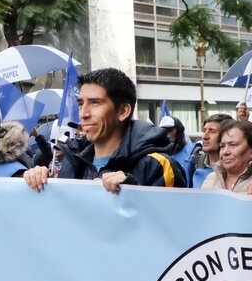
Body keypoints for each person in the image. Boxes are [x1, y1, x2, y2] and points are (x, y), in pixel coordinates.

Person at [24, 68, 180, 194]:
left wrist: (132, 191)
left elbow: (172, 225)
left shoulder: (156, 165)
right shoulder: (72, 161)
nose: (83, 114)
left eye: (95, 103)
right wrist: (40, 183)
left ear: (123, 111)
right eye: (81, 104)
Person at [188, 113, 235, 188]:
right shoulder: (195, 162)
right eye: (204, 131)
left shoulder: (235, 167)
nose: (204, 136)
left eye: (212, 131)